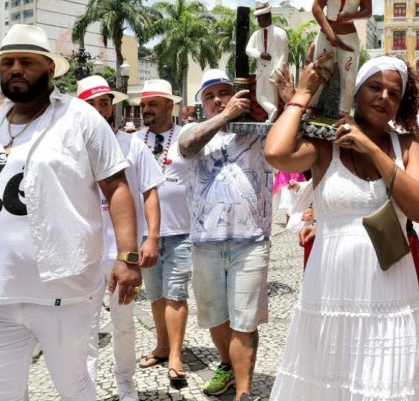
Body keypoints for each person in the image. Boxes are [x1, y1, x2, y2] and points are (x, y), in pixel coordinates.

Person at [0, 24, 141, 400]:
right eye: (8, 62)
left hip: (62, 288)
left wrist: (128, 256)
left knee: (74, 387)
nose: (16, 69)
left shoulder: (80, 118)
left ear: (49, 68)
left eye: (26, 62)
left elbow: (116, 188)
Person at [265, 55, 419, 399]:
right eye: (375, 87)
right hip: (331, 289)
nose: (384, 97)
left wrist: (373, 149)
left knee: (385, 383)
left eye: (394, 92)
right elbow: (276, 153)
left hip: (390, 292)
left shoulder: (408, 146)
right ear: (356, 91)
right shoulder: (325, 141)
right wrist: (302, 94)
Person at [178, 69, 275, 401]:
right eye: (210, 96)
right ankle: (227, 365)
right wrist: (226, 116)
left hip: (250, 241)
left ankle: (244, 392)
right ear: (201, 104)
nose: (218, 100)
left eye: (224, 92)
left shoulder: (259, 129)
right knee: (216, 317)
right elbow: (188, 147)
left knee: (244, 320)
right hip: (205, 242)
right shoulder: (194, 130)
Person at [77, 75, 164, 401]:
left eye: (104, 102)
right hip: (83, 254)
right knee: (83, 328)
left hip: (121, 255)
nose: (100, 110)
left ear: (112, 106)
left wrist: (151, 238)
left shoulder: (132, 145)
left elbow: (150, 191)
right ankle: (83, 388)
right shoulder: (71, 148)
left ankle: (125, 381)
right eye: (92, 104)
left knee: (123, 323)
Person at [133, 79, 191, 388]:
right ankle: (161, 345)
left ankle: (176, 356)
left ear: (171, 106)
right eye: (143, 105)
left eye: (153, 104)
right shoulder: (134, 140)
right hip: (145, 235)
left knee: (176, 294)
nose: (146, 110)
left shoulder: (187, 137)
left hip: (182, 231)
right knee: (156, 295)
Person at [308, 0, 373, 117]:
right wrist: (330, 34)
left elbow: (368, 11)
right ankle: (310, 107)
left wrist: (352, 14)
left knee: (348, 76)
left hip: (349, 37)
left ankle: (344, 114)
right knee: (319, 69)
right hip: (325, 34)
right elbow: (316, 7)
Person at [245, 0, 289, 122]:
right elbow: (248, 49)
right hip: (261, 70)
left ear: (268, 16)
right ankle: (271, 110)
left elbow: (283, 54)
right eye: (258, 18)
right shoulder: (256, 34)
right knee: (260, 96)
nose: (259, 21)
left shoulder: (280, 33)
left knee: (273, 95)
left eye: (261, 18)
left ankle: (273, 116)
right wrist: (260, 55)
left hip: (274, 70)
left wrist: (277, 71)